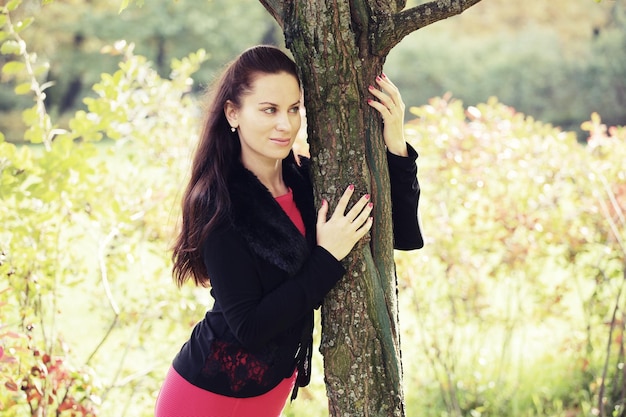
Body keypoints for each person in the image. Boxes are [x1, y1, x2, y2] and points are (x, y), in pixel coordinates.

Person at [155, 45, 423, 417]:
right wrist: (327, 258)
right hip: (207, 396)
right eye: (269, 110)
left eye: (294, 109)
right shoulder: (220, 204)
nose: (286, 125)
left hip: (270, 392)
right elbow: (249, 326)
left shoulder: (307, 181)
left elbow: (403, 235)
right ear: (233, 113)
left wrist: (395, 142)